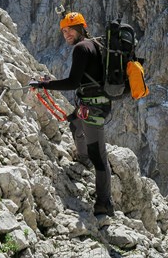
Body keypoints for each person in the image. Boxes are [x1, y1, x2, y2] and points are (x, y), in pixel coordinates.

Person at [29, 12, 114, 216]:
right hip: (95, 102)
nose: (66, 34)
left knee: (99, 156)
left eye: (70, 29)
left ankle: (105, 203)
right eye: (64, 31)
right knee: (74, 123)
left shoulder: (80, 48)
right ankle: (83, 158)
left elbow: (73, 82)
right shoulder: (95, 44)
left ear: (80, 29)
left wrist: (43, 84)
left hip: (93, 108)